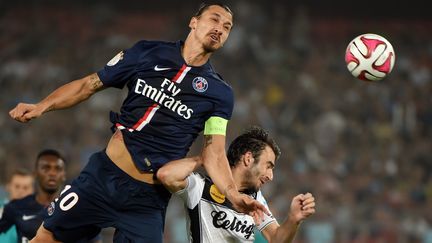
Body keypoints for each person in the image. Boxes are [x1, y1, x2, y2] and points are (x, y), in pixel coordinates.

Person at [9, 3, 267, 243]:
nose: (220, 29)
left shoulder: (220, 93)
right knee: (44, 240)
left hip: (147, 201)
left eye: (227, 27)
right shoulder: (146, 52)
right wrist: (42, 105)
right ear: (193, 22)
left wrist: (233, 195)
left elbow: (214, 151)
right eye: (215, 19)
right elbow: (90, 84)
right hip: (102, 178)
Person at [157, 126, 316, 242]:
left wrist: (294, 219)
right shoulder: (201, 187)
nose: (271, 176)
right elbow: (166, 175)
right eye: (268, 166)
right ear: (248, 159)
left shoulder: (255, 199)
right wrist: (203, 158)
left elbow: (276, 238)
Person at [0, 149, 66, 242]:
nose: (52, 173)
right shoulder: (15, 207)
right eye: (46, 168)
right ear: (35, 173)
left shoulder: (74, 208)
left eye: (58, 168)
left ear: (64, 175)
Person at [0, 169, 35, 242]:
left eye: (25, 188)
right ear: (8, 187)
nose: (21, 191)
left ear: (33, 190)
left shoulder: (40, 215)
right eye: (17, 186)